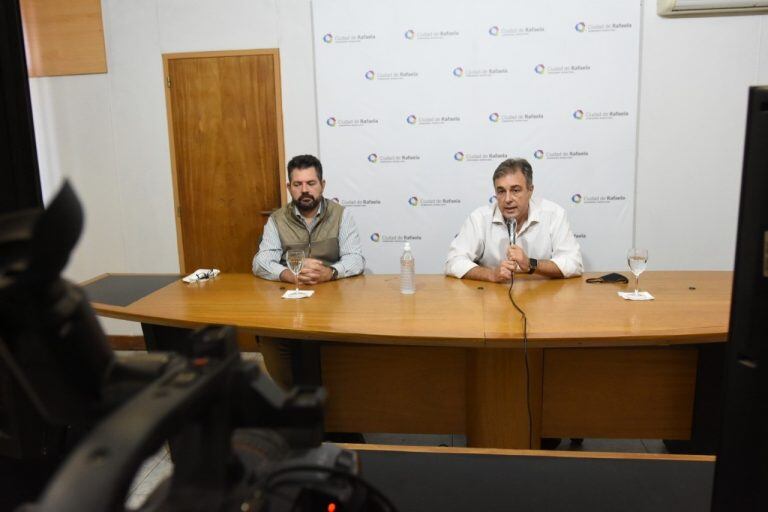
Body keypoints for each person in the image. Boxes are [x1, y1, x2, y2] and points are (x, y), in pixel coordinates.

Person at [253, 154, 365, 389]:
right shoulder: (277, 220)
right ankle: (291, 403)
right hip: (290, 303)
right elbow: (261, 261)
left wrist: (330, 272)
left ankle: (337, 410)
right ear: (289, 187)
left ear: (322, 185)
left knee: (338, 352)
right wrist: (288, 274)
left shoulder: (341, 215)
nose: (305, 190)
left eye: (311, 183)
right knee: (272, 339)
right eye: (297, 184)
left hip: (332, 303)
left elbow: (355, 259)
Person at [445, 157, 583, 281]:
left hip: (541, 298)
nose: (508, 199)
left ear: (530, 190)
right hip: (493, 298)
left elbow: (574, 263)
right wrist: (491, 275)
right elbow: (453, 261)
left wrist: (531, 264)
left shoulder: (554, 214)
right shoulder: (479, 219)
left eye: (515, 190)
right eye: (501, 191)